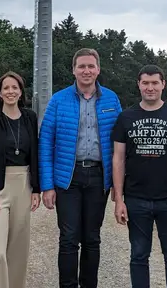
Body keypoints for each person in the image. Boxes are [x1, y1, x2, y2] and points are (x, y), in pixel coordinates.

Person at [38, 47, 122, 288]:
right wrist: (47, 185)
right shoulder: (58, 100)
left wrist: (118, 185)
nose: (86, 71)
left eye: (91, 66)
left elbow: (120, 144)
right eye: (81, 66)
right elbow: (46, 142)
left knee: (92, 239)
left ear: (98, 70)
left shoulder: (111, 99)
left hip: (98, 177)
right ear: (73, 70)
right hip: (67, 178)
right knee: (68, 239)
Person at [112, 64, 167, 288]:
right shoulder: (125, 117)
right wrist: (119, 199)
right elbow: (118, 158)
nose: (150, 88)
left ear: (163, 85)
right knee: (139, 256)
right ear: (138, 85)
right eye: (145, 83)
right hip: (136, 198)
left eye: (155, 83)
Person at [0, 71, 41, 288]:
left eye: (15, 87)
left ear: (21, 92)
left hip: (23, 184)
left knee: (18, 248)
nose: (11, 91)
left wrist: (36, 189)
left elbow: (36, 154)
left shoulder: (30, 117)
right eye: (6, 88)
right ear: (0, 92)